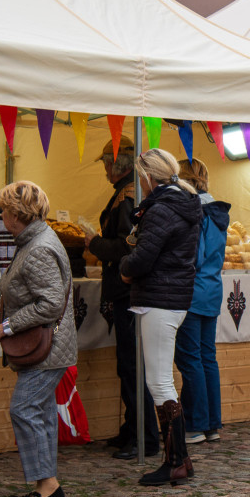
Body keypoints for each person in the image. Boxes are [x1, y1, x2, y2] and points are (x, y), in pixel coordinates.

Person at [0, 180, 77, 497]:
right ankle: (45, 488)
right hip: (50, 346)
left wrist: (10, 325)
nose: (1, 216)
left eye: (3, 210)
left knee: (24, 408)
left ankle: (49, 486)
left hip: (48, 348)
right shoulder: (35, 240)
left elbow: (51, 303)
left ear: (16, 214)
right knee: (39, 412)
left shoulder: (38, 247)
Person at [119, 149, 202, 486]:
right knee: (162, 380)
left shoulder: (162, 209)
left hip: (159, 299)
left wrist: (125, 269)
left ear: (148, 177)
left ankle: (175, 461)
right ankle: (179, 459)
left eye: (141, 176)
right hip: (172, 298)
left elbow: (142, 259)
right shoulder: (183, 204)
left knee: (159, 382)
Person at [85, 136, 160, 460]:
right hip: (124, 289)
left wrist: (94, 244)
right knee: (127, 365)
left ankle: (145, 436)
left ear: (118, 164)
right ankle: (132, 429)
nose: (103, 168)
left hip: (128, 288)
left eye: (105, 162)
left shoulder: (129, 196)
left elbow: (129, 244)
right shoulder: (126, 193)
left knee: (132, 366)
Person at [174, 158, 231, 445]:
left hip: (192, 291)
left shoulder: (195, 213)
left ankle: (196, 424)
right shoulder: (218, 213)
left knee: (190, 358)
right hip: (211, 290)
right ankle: (211, 424)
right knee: (207, 357)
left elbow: (192, 256)